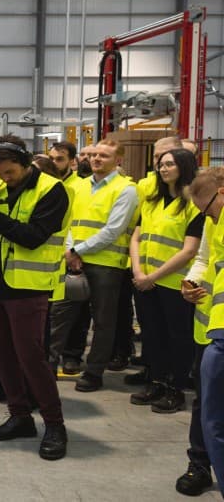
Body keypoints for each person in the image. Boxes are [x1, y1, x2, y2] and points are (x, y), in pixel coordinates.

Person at [0, 134, 70, 461]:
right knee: (2, 354)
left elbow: (33, 238)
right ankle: (20, 416)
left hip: (27, 286)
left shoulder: (53, 191)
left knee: (31, 357)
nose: (3, 178)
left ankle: (55, 425)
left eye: (9, 172)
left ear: (25, 163)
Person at [50, 138, 139, 392]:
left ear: (118, 160)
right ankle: (47, 364)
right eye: (95, 155)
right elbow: (70, 222)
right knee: (59, 315)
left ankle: (93, 372)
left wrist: (77, 250)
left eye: (105, 156)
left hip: (106, 264)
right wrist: (70, 250)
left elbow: (113, 230)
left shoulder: (126, 189)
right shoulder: (79, 186)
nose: (97, 159)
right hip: (73, 260)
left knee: (103, 321)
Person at [128, 148, 202, 413]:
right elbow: (136, 238)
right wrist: (138, 272)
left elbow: (189, 250)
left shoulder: (193, 204)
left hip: (174, 284)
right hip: (145, 281)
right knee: (152, 335)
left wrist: (153, 277)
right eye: (160, 164)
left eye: (169, 164)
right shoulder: (150, 200)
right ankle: (156, 381)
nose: (163, 168)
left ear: (184, 166)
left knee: (178, 338)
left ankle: (177, 388)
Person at [176, 182, 222, 496]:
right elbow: (205, 259)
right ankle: (200, 463)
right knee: (205, 404)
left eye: (207, 207)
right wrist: (191, 281)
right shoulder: (211, 219)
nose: (207, 214)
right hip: (210, 324)